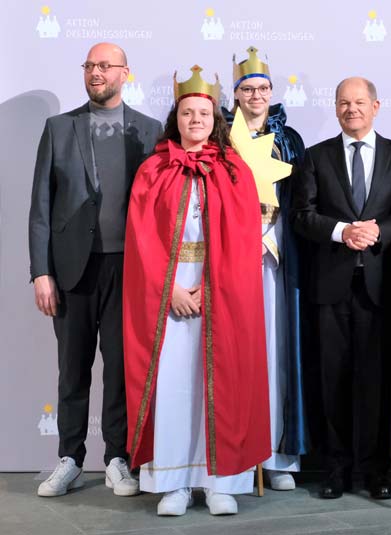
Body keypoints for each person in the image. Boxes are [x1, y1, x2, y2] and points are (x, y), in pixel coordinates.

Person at [122, 65, 270, 516]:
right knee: (173, 386)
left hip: (218, 294)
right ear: (176, 118)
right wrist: (170, 291)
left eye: (203, 114)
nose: (195, 121)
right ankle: (174, 482)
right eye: (187, 113)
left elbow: (244, 241)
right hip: (168, 295)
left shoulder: (235, 171)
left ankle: (221, 482)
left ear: (215, 119)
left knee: (222, 381)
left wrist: (209, 288)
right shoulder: (153, 170)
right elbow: (141, 238)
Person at [28, 42, 161, 498]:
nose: (95, 72)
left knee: (121, 369)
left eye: (105, 66)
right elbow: (40, 207)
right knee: (73, 368)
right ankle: (69, 459)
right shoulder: (59, 128)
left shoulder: (150, 130)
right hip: (71, 270)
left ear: (126, 72)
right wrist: (41, 272)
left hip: (130, 271)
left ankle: (118, 459)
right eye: (89, 65)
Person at [292, 77, 391, 500]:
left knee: (378, 381)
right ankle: (336, 469)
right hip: (331, 288)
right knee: (333, 381)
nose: (351, 109)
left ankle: (376, 469)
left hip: (382, 287)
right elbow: (302, 216)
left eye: (359, 102)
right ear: (335, 107)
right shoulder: (314, 156)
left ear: (377, 106)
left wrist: (380, 230)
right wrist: (343, 231)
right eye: (343, 103)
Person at [223, 46, 307, 492]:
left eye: (263, 88)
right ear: (236, 94)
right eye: (247, 88)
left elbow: (299, 200)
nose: (256, 95)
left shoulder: (288, 139)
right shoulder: (221, 138)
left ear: (272, 92)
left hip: (276, 258)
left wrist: (269, 239)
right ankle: (238, 454)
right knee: (237, 357)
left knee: (275, 354)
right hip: (233, 260)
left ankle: (276, 456)